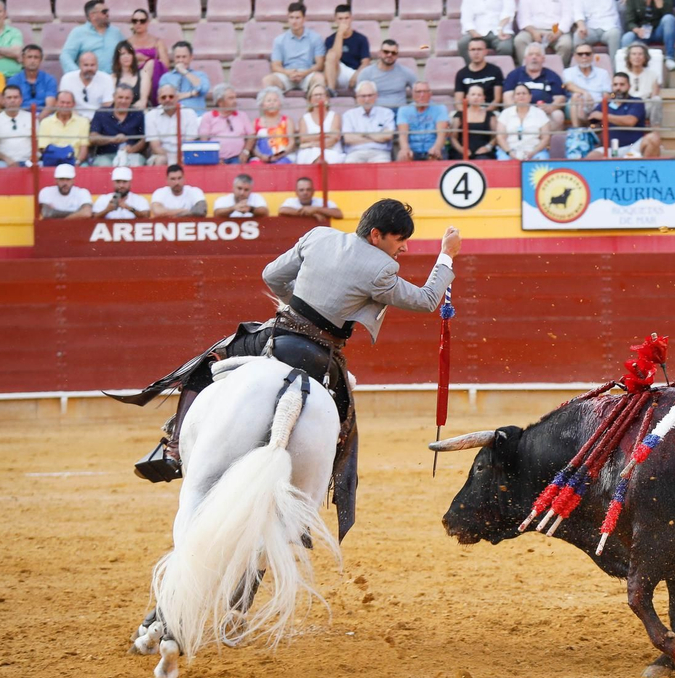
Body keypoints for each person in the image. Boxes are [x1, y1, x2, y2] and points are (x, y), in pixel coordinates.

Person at [119, 198, 462, 534]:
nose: (403, 248)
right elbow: (427, 299)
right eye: (400, 240)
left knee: (207, 364)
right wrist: (446, 254)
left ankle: (175, 449)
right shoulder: (381, 269)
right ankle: (315, 505)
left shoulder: (319, 236)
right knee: (344, 426)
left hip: (278, 334)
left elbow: (271, 275)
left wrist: (298, 302)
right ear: (376, 235)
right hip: (321, 356)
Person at [583, 73, 660, 158]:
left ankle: (646, 169)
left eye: (622, 84)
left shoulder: (636, 101)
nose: (618, 88)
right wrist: (595, 124)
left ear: (629, 86)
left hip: (632, 147)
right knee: (591, 157)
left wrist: (603, 116)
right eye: (615, 85)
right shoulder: (605, 103)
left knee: (654, 138)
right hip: (610, 148)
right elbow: (593, 122)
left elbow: (630, 121)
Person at [504, 42, 568, 129]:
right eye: (530, 54)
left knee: (558, 115)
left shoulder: (553, 76)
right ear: (525, 58)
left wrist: (550, 108)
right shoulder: (514, 75)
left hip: (544, 114)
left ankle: (549, 141)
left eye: (538, 55)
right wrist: (519, 110)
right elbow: (507, 97)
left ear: (543, 59)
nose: (534, 57)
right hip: (520, 112)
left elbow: (561, 98)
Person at [88, 84, 146, 167]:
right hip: (106, 155)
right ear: (114, 97)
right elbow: (93, 137)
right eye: (120, 97)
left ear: (132, 99)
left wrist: (132, 149)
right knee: (103, 165)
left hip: (131, 154)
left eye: (127, 98)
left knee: (136, 164)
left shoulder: (138, 114)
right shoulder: (101, 113)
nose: (123, 101)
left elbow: (144, 139)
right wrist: (111, 140)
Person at [60, 0, 120, 76]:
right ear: (92, 15)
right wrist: (78, 74)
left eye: (107, 11)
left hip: (113, 79)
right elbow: (66, 56)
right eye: (104, 12)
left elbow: (126, 50)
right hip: (88, 79)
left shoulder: (116, 32)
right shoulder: (78, 32)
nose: (107, 14)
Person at [144, 83, 200, 165]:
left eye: (171, 96)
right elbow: (155, 147)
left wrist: (178, 159)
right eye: (163, 97)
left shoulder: (189, 113)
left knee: (188, 159)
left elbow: (189, 143)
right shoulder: (151, 115)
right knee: (161, 160)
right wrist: (172, 161)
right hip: (161, 155)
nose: (167, 99)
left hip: (184, 154)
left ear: (177, 98)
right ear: (158, 100)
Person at [353, 39, 417, 109]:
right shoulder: (366, 73)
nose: (389, 55)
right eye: (386, 52)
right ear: (379, 53)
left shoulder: (406, 72)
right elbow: (359, 97)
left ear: (397, 55)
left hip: (398, 113)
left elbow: (419, 91)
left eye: (393, 53)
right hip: (375, 113)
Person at [341, 81, 395, 162]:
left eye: (370, 95)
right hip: (355, 153)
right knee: (350, 164)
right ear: (357, 97)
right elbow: (348, 138)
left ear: (376, 96)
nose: (367, 99)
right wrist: (376, 137)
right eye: (363, 96)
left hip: (380, 153)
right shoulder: (348, 115)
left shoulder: (387, 113)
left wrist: (364, 135)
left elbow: (388, 136)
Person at [197, 84, 253, 163]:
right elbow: (204, 141)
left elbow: (252, 135)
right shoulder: (208, 117)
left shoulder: (242, 115)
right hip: (216, 160)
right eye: (231, 98)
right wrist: (214, 158)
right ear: (220, 102)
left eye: (235, 97)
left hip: (238, 158)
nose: (235, 101)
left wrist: (246, 151)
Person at [495, 83, 551, 160]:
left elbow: (546, 138)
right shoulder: (506, 113)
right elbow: (500, 137)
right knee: (503, 160)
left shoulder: (540, 113)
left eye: (524, 93)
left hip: (534, 151)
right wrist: (510, 153)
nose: (521, 96)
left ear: (530, 97)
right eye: (518, 94)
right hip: (510, 151)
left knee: (542, 158)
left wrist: (533, 152)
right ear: (514, 98)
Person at [395, 81, 449, 162]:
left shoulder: (440, 108)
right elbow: (403, 135)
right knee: (403, 156)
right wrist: (405, 149)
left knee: (435, 156)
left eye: (425, 92)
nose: (422, 95)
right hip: (413, 149)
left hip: (433, 147)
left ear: (430, 94)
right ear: (413, 94)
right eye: (418, 92)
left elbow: (441, 135)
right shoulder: (404, 110)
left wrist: (436, 148)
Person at [294, 82, 345, 165]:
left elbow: (334, 138)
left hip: (330, 150)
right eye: (315, 95)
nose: (318, 97)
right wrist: (326, 135)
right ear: (310, 99)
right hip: (309, 151)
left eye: (321, 94)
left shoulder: (334, 116)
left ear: (327, 98)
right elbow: (303, 138)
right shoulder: (304, 118)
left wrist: (312, 143)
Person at [37, 91, 89, 166]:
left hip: (74, 162)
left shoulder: (83, 122)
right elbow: (43, 147)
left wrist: (77, 163)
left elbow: (84, 148)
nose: (65, 105)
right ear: (56, 103)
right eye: (62, 102)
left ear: (74, 104)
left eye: (68, 103)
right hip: (52, 162)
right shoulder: (45, 122)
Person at [0, 84, 34, 166]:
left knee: (40, 166)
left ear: (21, 100)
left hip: (29, 161)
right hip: (5, 162)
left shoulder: (31, 118)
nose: (13, 100)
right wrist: (7, 160)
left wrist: (31, 159)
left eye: (16, 97)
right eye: (9, 98)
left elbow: (37, 144)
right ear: (3, 100)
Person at [5, 43, 56, 113]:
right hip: (21, 116)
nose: (32, 61)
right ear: (23, 59)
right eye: (29, 57)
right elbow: (12, 104)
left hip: (44, 116)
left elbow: (50, 106)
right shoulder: (14, 80)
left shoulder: (49, 80)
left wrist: (39, 119)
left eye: (36, 57)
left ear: (41, 60)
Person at [251, 87, 293, 163]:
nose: (272, 103)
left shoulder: (287, 121)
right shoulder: (256, 122)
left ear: (280, 103)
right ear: (262, 104)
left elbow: (291, 142)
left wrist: (278, 156)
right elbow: (252, 145)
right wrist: (261, 156)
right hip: (262, 158)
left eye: (275, 100)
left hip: (282, 157)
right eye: (268, 100)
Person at [279, 177, 344, 221]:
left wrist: (316, 209)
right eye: (301, 190)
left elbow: (339, 214)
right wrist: (311, 214)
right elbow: (282, 210)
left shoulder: (321, 201)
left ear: (313, 191)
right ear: (296, 192)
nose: (305, 192)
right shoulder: (290, 201)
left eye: (308, 189)